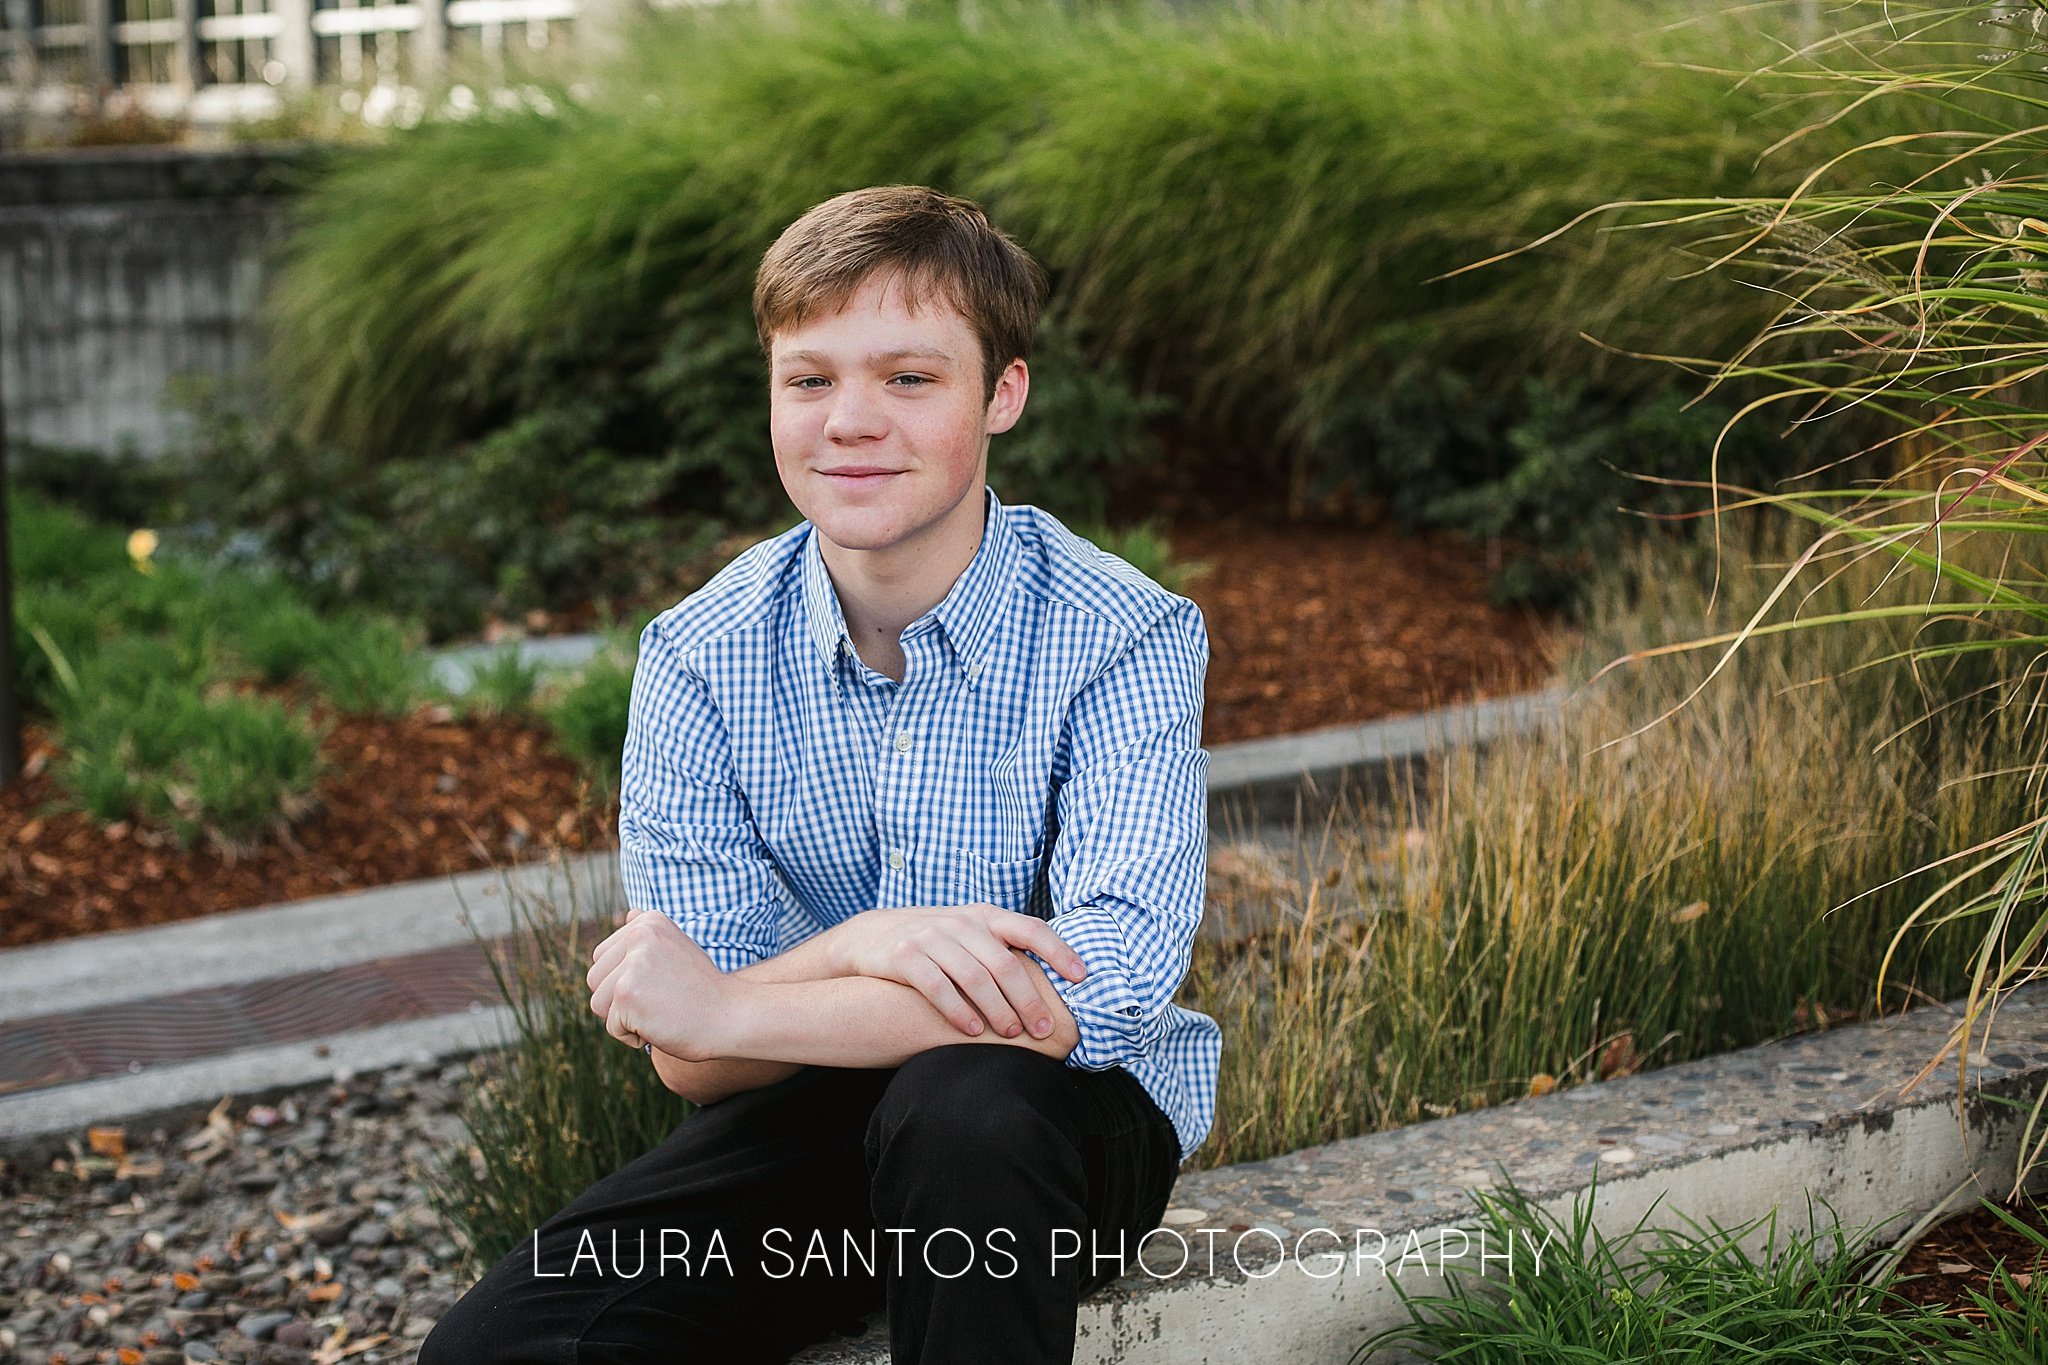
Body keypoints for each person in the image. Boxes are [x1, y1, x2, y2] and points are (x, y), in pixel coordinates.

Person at [420, 184, 1221, 1365]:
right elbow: (694, 1060)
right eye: (810, 379)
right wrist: (860, 946)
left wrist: (746, 1001)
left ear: (1002, 393)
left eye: (908, 378)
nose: (850, 420)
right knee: (502, 1350)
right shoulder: (698, 655)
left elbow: (1084, 994)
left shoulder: (1122, 632)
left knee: (960, 1108)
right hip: (811, 1129)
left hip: (1050, 1140)